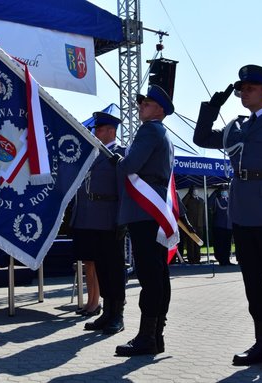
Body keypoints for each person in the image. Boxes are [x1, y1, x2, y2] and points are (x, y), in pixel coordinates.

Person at [193, 65, 262, 370]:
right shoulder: (237, 126)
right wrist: (211, 108)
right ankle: (260, 342)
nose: (243, 93)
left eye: (250, 88)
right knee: (253, 281)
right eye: (241, 89)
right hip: (242, 212)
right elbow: (202, 138)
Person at [111, 85, 175, 356]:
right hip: (156, 209)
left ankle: (148, 337)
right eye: (141, 103)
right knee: (159, 273)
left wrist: (118, 161)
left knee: (150, 275)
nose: (141, 107)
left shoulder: (149, 130)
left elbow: (130, 165)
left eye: (147, 104)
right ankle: (155, 334)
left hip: (143, 209)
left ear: (160, 109)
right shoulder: (164, 134)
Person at [70, 112, 126, 333]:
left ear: (111, 131)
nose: (95, 133)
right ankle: (107, 312)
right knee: (102, 267)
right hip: (92, 218)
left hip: (110, 217)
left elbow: (125, 189)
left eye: (100, 129)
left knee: (114, 268)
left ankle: (118, 315)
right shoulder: (94, 154)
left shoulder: (120, 154)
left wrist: (123, 219)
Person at [210, 185, 233, 266]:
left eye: (226, 190)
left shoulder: (229, 200)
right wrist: (214, 193)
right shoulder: (216, 199)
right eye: (224, 190)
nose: (225, 191)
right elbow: (209, 204)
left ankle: (227, 260)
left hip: (228, 226)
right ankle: (221, 260)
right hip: (219, 226)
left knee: (227, 245)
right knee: (220, 244)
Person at [181, 186, 205, 263]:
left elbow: (203, 213)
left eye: (197, 190)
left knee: (198, 242)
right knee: (190, 243)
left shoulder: (201, 200)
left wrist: (203, 223)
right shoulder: (188, 200)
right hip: (191, 225)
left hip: (199, 224)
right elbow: (182, 204)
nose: (196, 191)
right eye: (194, 190)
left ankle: (197, 258)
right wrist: (188, 195)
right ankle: (191, 259)